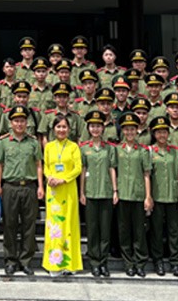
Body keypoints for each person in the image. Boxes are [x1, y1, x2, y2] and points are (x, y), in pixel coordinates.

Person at [0, 104, 44, 275]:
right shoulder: (4, 142)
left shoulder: (33, 142)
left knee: (29, 226)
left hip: (29, 187)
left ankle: (26, 260)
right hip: (10, 187)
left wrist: (40, 186)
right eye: (16, 121)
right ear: (11, 123)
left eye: (22, 121)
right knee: (10, 225)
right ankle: (10, 260)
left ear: (26, 123)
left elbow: (39, 165)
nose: (19, 124)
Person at [42, 114, 82, 276]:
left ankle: (69, 264)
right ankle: (54, 263)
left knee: (69, 224)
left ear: (69, 129)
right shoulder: (49, 147)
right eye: (58, 127)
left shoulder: (73, 147)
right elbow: (45, 166)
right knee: (54, 226)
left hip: (68, 189)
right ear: (53, 129)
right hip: (53, 192)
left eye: (64, 127)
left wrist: (63, 179)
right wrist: (49, 177)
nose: (61, 130)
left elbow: (78, 168)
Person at [79, 110, 116, 277]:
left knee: (105, 230)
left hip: (106, 192)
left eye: (98, 126)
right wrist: (82, 192)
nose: (95, 129)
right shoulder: (84, 148)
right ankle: (94, 262)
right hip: (91, 192)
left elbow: (112, 169)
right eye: (92, 126)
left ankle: (103, 262)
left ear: (103, 128)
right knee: (93, 230)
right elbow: (82, 170)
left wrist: (115, 190)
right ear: (88, 128)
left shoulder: (109, 148)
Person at [115, 111, 151, 277]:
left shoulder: (143, 151)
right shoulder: (117, 150)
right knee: (124, 231)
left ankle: (140, 262)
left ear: (137, 130)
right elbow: (113, 171)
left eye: (132, 129)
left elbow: (146, 174)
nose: (129, 132)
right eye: (126, 129)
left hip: (138, 195)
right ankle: (128, 263)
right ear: (122, 131)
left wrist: (148, 196)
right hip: (123, 194)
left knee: (139, 231)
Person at [147, 115, 178, 277]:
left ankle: (175, 263)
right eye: (158, 132)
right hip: (157, 196)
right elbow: (147, 175)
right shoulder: (149, 152)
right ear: (154, 134)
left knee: (174, 231)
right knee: (156, 231)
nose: (162, 135)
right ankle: (158, 261)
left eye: (164, 132)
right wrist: (148, 197)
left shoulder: (175, 151)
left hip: (173, 196)